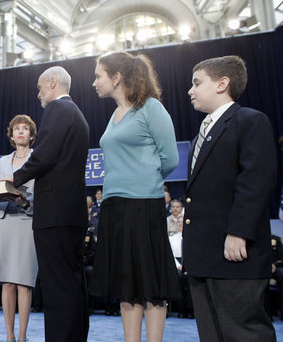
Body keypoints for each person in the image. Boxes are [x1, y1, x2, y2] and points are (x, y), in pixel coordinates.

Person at [184, 55, 277, 341]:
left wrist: (239, 231)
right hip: (204, 256)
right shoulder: (203, 131)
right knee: (212, 333)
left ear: (222, 84)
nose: (191, 90)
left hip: (235, 253)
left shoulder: (249, 120)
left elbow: (255, 182)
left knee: (243, 332)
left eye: (197, 83)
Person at [89, 51, 180, 342]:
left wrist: (144, 179)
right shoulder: (115, 115)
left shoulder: (151, 108)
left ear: (116, 77)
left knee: (151, 281)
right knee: (126, 282)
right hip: (114, 205)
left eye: (98, 75)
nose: (94, 82)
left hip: (144, 204)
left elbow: (170, 159)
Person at [12, 66, 90, 342]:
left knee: (57, 288)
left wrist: (13, 180)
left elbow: (43, 156)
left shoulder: (57, 110)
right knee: (72, 285)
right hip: (72, 212)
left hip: (55, 212)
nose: (38, 94)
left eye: (40, 87)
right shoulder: (77, 113)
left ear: (53, 83)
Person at [0, 114, 38, 342]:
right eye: (16, 128)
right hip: (4, 221)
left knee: (23, 281)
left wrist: (26, 201)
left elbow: (42, 193)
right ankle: (9, 336)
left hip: (27, 221)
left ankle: (23, 335)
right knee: (7, 281)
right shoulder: (2, 162)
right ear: (11, 135)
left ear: (31, 135)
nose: (20, 132)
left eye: (25, 129)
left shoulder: (38, 159)